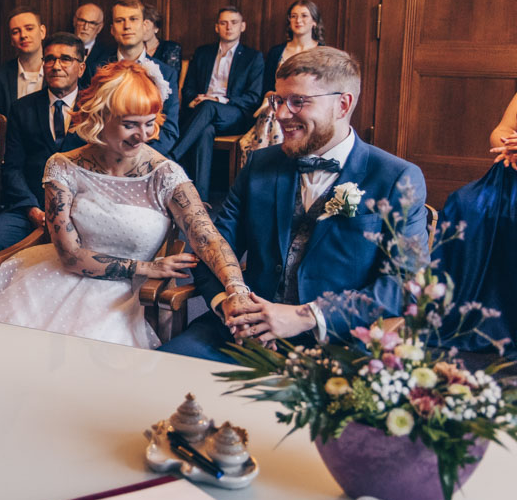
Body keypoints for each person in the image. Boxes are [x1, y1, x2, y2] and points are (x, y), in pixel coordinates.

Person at [0, 61, 248, 347]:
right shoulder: (63, 166)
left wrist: (236, 290)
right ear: (101, 117)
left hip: (128, 297)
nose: (142, 136)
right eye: (130, 124)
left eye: (150, 124)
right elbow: (69, 256)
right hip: (57, 278)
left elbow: (207, 237)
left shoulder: (165, 174)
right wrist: (147, 267)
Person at [159, 47, 428, 363]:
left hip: (335, 347)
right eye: (278, 100)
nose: (281, 114)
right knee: (161, 371)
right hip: (239, 333)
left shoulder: (396, 178)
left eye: (298, 101)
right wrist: (228, 303)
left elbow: (404, 284)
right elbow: (212, 247)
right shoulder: (260, 165)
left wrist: (306, 316)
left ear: (343, 104)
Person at [0, 33, 86, 256]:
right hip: (31, 207)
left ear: (81, 68)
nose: (56, 66)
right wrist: (32, 209)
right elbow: (12, 168)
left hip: (82, 208)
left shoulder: (96, 108)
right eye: (50, 59)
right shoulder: (22, 108)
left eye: (65, 59)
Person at [432, 92, 517, 358]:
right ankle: (459, 314)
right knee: (463, 203)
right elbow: (501, 130)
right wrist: (508, 147)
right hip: (510, 173)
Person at [171, 6, 264, 201]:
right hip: (202, 115)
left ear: (243, 26)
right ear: (217, 27)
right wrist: (195, 100)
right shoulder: (203, 53)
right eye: (224, 23)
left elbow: (253, 97)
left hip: (234, 114)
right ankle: (201, 201)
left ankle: (172, 156)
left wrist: (215, 100)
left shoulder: (253, 57)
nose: (229, 27)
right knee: (206, 131)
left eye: (234, 23)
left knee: (209, 107)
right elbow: (188, 88)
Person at [238, 0, 325, 161]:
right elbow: (266, 88)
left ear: (314, 22)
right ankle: (267, 163)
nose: (298, 20)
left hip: (308, 107)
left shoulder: (322, 52)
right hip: (277, 105)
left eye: (304, 16)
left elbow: (324, 89)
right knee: (275, 112)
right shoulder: (277, 51)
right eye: (294, 16)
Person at [104, 0, 180, 155]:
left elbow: (169, 131)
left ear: (145, 26)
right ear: (112, 29)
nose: (127, 26)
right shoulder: (97, 69)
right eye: (120, 21)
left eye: (133, 19)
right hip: (106, 155)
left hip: (150, 155)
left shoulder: (166, 73)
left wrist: (139, 158)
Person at [0, 6, 46, 117]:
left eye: (29, 28)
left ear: (42, 32)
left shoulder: (58, 72)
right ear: (11, 40)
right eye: (16, 32)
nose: (23, 35)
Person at [72, 2, 110, 82]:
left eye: (92, 23)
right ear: (75, 21)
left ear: (100, 27)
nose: (85, 27)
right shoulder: (60, 47)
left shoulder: (108, 55)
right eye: (82, 21)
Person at [141, 3, 183, 75]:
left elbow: (170, 77)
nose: (143, 29)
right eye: (140, 24)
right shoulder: (131, 50)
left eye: (146, 24)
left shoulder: (171, 48)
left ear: (156, 28)